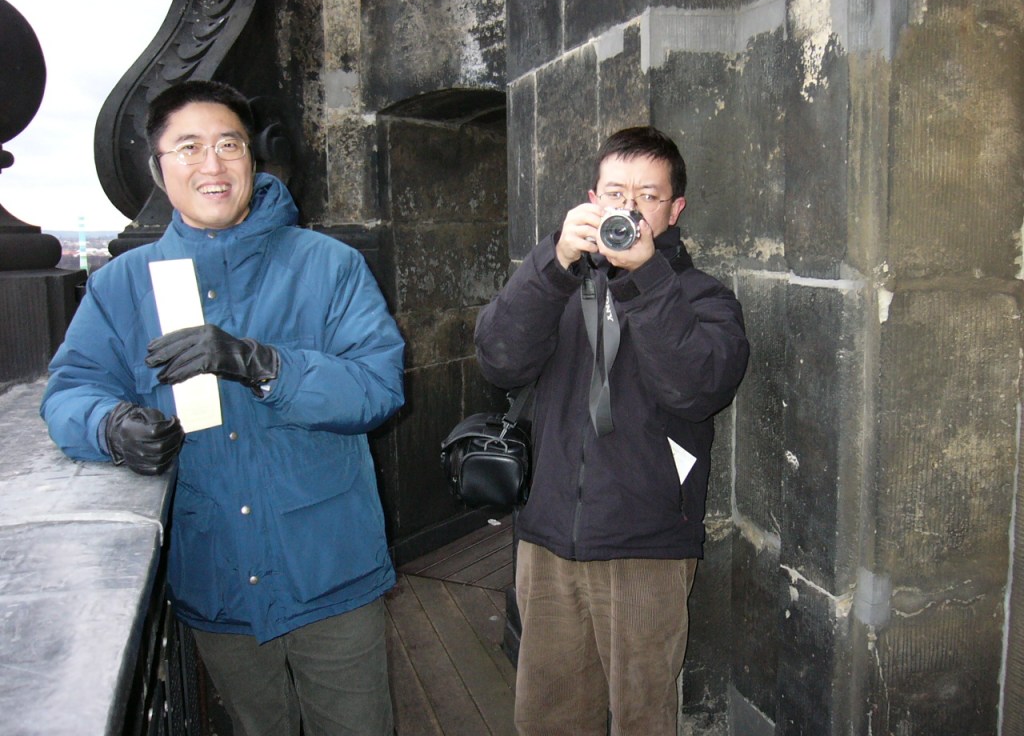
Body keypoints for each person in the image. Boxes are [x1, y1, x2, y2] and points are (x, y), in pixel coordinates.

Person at [40, 80, 405, 736]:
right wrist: (110, 425)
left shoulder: (329, 266)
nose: (212, 164)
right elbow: (69, 393)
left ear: (252, 159)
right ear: (158, 168)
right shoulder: (121, 286)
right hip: (216, 575)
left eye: (229, 145)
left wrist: (261, 363)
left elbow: (378, 389)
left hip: (331, 570)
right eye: (189, 147)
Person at [475, 126, 749, 735]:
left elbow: (697, 389)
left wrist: (646, 278)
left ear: (674, 210)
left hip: (645, 546)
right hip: (547, 539)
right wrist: (551, 264)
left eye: (648, 196)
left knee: (641, 719)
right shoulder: (557, 283)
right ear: (592, 200)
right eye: (616, 193)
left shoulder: (702, 297)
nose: (630, 208)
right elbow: (497, 360)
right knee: (546, 717)